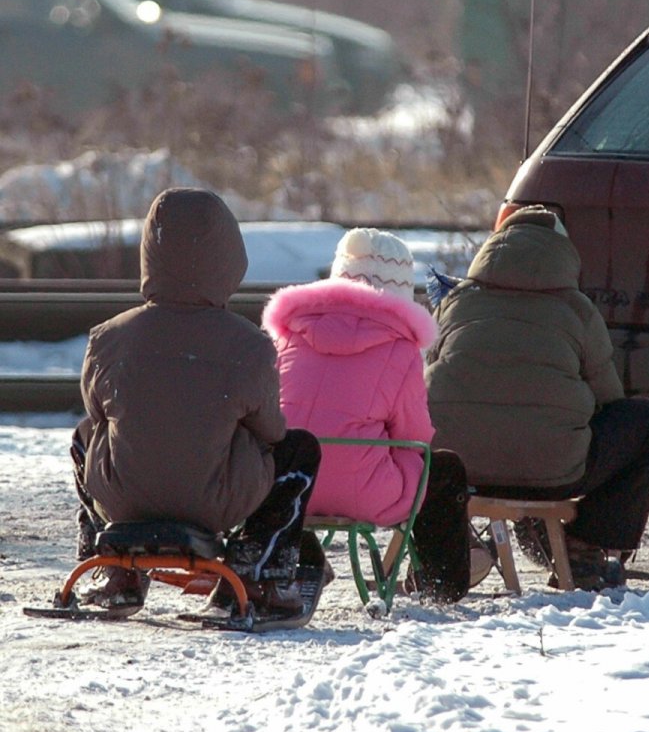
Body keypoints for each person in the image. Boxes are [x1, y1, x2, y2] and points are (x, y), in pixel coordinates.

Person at [71, 187, 322, 618]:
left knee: (84, 438)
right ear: (228, 257)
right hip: (215, 500)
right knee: (300, 449)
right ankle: (259, 570)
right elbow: (272, 432)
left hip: (122, 498)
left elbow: (95, 416)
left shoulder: (108, 337)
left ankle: (112, 565)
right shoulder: (249, 344)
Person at [424, 205, 649, 590]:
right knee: (646, 421)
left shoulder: (454, 302)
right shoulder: (578, 309)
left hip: (457, 468)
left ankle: (446, 552)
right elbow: (610, 400)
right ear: (562, 253)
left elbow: (431, 375)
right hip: (554, 474)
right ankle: (585, 548)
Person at [261, 228, 472, 602]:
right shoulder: (401, 348)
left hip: (285, 485)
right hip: (363, 494)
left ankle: (305, 550)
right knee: (444, 470)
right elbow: (416, 435)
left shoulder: (290, 335)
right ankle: (443, 586)